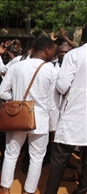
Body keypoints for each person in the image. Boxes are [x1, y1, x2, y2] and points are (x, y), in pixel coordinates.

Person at [0, 37, 59, 194]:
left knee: (11, 154)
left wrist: (17, 101)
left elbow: (1, 91)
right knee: (36, 158)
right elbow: (52, 103)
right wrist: (54, 126)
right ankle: (28, 191)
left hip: (17, 116)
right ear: (46, 50)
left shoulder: (17, 67)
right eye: (53, 50)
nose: (54, 53)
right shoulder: (51, 70)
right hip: (40, 119)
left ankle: (5, 190)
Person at [45, 26, 87, 194]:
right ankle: (81, 190)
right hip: (78, 113)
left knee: (60, 158)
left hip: (75, 113)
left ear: (83, 38)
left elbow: (62, 86)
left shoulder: (74, 55)